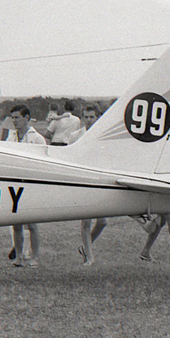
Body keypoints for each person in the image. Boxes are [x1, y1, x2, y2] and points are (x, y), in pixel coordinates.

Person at [4, 105, 46, 267]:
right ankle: (19, 256)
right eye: (13, 118)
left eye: (17, 118)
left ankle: (34, 256)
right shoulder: (11, 137)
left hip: (31, 185)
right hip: (14, 185)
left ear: (27, 118)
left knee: (32, 224)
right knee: (16, 224)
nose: (14, 121)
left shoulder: (37, 138)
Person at [70, 105, 107, 265]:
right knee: (86, 221)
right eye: (86, 116)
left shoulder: (104, 136)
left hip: (100, 181)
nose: (89, 120)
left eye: (92, 117)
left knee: (103, 221)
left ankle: (86, 247)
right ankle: (89, 257)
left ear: (98, 117)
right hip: (83, 181)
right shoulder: (75, 136)